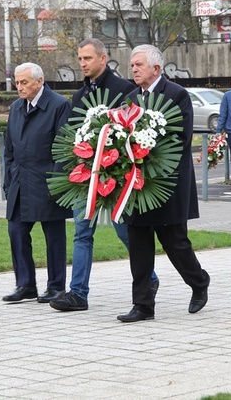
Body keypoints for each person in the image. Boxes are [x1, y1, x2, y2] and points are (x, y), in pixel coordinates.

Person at [50, 38, 159, 312]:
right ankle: (78, 294)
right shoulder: (79, 95)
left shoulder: (125, 89)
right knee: (82, 232)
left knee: (125, 232)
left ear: (103, 58)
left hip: (117, 176)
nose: (82, 63)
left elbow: (135, 128)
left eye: (87, 58)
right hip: (87, 176)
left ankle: (150, 278)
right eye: (79, 59)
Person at [117, 45, 210, 323]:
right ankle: (143, 305)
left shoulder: (177, 94)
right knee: (139, 245)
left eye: (139, 65)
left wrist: (146, 152)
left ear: (156, 69)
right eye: (132, 65)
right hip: (137, 186)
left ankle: (199, 282)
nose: (133, 69)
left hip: (167, 185)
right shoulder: (130, 98)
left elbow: (180, 139)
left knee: (175, 243)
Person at [3, 63, 72, 304]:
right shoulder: (16, 107)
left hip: (48, 183)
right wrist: (8, 181)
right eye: (17, 82)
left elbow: (64, 149)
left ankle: (56, 286)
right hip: (20, 182)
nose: (19, 87)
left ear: (40, 81)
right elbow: (9, 150)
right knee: (16, 231)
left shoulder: (59, 105)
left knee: (54, 236)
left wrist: (56, 183)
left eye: (24, 82)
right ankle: (25, 284)